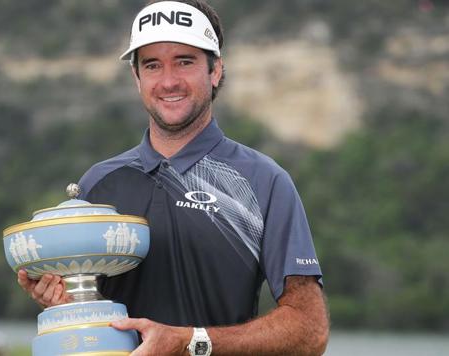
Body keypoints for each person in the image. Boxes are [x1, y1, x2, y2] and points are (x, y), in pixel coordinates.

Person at [17, 1, 329, 354]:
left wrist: (191, 342)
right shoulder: (99, 185)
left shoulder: (264, 182)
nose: (168, 81)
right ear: (137, 78)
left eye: (184, 61)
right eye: (152, 65)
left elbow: (309, 329)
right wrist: (64, 302)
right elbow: (88, 320)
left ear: (215, 70)